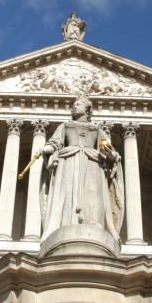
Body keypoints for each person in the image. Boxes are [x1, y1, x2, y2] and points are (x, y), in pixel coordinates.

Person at [39, 94, 123, 238]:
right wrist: (47, 149)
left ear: (87, 109)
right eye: (74, 105)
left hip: (92, 163)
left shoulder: (96, 129)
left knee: (93, 193)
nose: (74, 107)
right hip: (69, 161)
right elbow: (56, 142)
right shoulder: (64, 126)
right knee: (66, 192)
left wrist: (110, 154)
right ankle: (66, 223)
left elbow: (110, 151)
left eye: (78, 105)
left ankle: (94, 222)